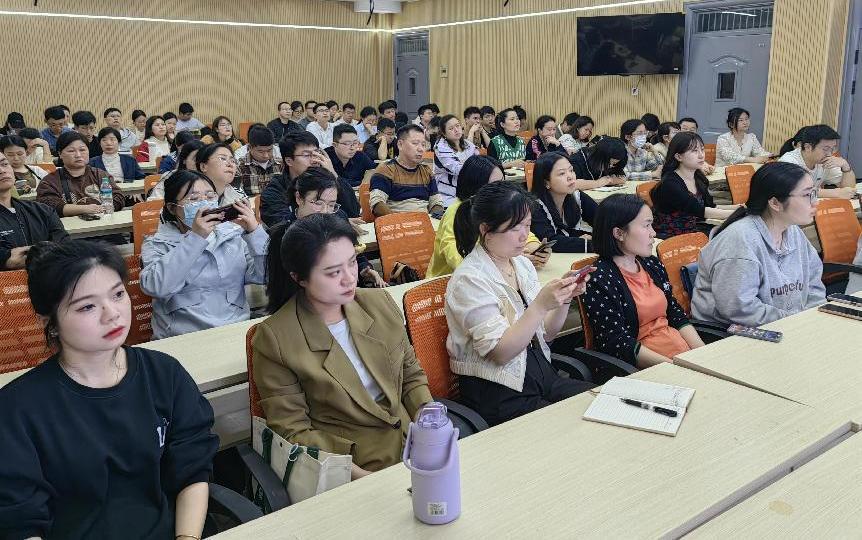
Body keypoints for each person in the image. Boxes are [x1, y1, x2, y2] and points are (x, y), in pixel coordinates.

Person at [0, 240, 218, 538]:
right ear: (48, 321)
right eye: (87, 306)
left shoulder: (164, 374)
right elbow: (20, 519)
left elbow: (192, 469)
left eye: (117, 294)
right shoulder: (18, 409)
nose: (112, 313)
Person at [253, 213, 431, 475]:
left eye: (352, 263)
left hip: (415, 444)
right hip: (354, 465)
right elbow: (293, 431)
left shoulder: (379, 303)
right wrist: (357, 475)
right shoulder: (275, 339)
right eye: (333, 272)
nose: (349, 278)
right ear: (299, 277)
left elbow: (411, 375)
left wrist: (430, 421)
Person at [444, 182, 594, 426]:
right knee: (573, 426)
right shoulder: (469, 279)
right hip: (499, 389)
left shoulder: (522, 264)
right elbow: (500, 353)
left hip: (539, 372)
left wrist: (565, 298)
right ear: (486, 230)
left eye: (527, 225)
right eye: (515, 228)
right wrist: (540, 306)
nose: (525, 235)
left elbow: (546, 334)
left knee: (600, 404)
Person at [692, 162, 826, 326]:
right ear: (775, 203)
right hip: (735, 332)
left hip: (788, 325)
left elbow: (814, 285)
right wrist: (795, 322)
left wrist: (812, 317)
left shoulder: (793, 231)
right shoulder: (740, 241)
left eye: (814, 193)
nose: (815, 202)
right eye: (807, 195)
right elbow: (739, 308)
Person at [140, 170, 266, 338]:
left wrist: (254, 232)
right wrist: (196, 238)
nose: (204, 204)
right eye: (193, 199)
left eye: (210, 196)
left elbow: (266, 275)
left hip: (235, 329)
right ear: (172, 208)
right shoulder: (156, 243)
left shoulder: (232, 234)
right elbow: (156, 287)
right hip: (183, 336)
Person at [582, 194, 705, 367]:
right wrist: (675, 367)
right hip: (649, 366)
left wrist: (703, 354)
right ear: (619, 233)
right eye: (646, 225)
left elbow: (674, 312)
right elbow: (617, 342)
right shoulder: (600, 279)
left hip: (682, 355)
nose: (653, 233)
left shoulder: (651, 264)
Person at [428, 155, 549, 277]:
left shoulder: (498, 207)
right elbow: (457, 257)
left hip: (492, 277)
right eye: (494, 186)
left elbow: (518, 227)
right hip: (447, 283)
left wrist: (536, 250)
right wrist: (513, 259)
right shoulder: (456, 211)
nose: (502, 191)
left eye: (502, 183)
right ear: (474, 185)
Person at [275, 167, 386, 287]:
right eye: (318, 203)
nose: (325, 211)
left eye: (331, 205)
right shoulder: (283, 235)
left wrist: (365, 269)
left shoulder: (338, 217)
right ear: (299, 198)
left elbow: (355, 251)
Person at [261, 131, 359, 227]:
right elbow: (283, 226)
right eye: (306, 155)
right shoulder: (274, 191)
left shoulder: (323, 182)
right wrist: (336, 221)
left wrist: (334, 174)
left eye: (316, 153)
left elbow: (353, 212)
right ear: (289, 161)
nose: (314, 160)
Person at [651, 132, 738, 239]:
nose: (701, 155)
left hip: (692, 231)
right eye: (694, 151)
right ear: (678, 156)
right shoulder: (670, 183)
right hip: (671, 237)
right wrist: (738, 213)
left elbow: (710, 206)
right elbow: (700, 211)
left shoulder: (698, 177)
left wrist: (740, 207)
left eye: (702, 149)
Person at [0, 152, 67, 269]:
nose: (2, 170)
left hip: (52, 276)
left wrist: (33, 256)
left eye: (4, 164)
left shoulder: (42, 211)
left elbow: (65, 246)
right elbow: (9, 259)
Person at [36, 132, 124, 217]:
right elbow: (48, 205)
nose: (78, 155)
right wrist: (85, 209)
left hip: (103, 223)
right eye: (71, 151)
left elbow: (118, 197)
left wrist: (102, 209)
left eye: (82, 150)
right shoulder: (50, 181)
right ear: (60, 154)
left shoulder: (100, 174)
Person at [369, 124, 444, 217]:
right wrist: (402, 221)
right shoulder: (386, 169)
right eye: (415, 143)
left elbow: (436, 202)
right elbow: (377, 204)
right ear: (400, 144)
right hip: (395, 221)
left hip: (424, 221)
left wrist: (434, 217)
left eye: (423, 144)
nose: (421, 149)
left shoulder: (426, 171)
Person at [530, 151, 596, 253]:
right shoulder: (535, 206)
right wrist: (596, 244)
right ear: (546, 182)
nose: (570, 177)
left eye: (571, 170)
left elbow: (603, 220)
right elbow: (551, 241)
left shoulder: (576, 196)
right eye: (562, 173)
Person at [778, 124, 857, 199]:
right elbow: (795, 191)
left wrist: (845, 166)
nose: (830, 154)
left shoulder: (825, 161)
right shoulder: (789, 161)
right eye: (826, 149)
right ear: (808, 147)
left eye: (833, 148)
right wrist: (836, 193)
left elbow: (849, 190)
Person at [433, 114, 479, 206]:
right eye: (451, 128)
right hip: (448, 193)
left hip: (468, 190)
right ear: (444, 133)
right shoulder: (441, 148)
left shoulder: (468, 144)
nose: (456, 130)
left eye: (457, 126)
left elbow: (479, 162)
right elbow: (457, 169)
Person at [236, 125, 284, 196]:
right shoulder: (239, 167)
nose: (266, 155)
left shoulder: (281, 165)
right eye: (261, 151)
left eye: (269, 150)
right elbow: (238, 196)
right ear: (250, 147)